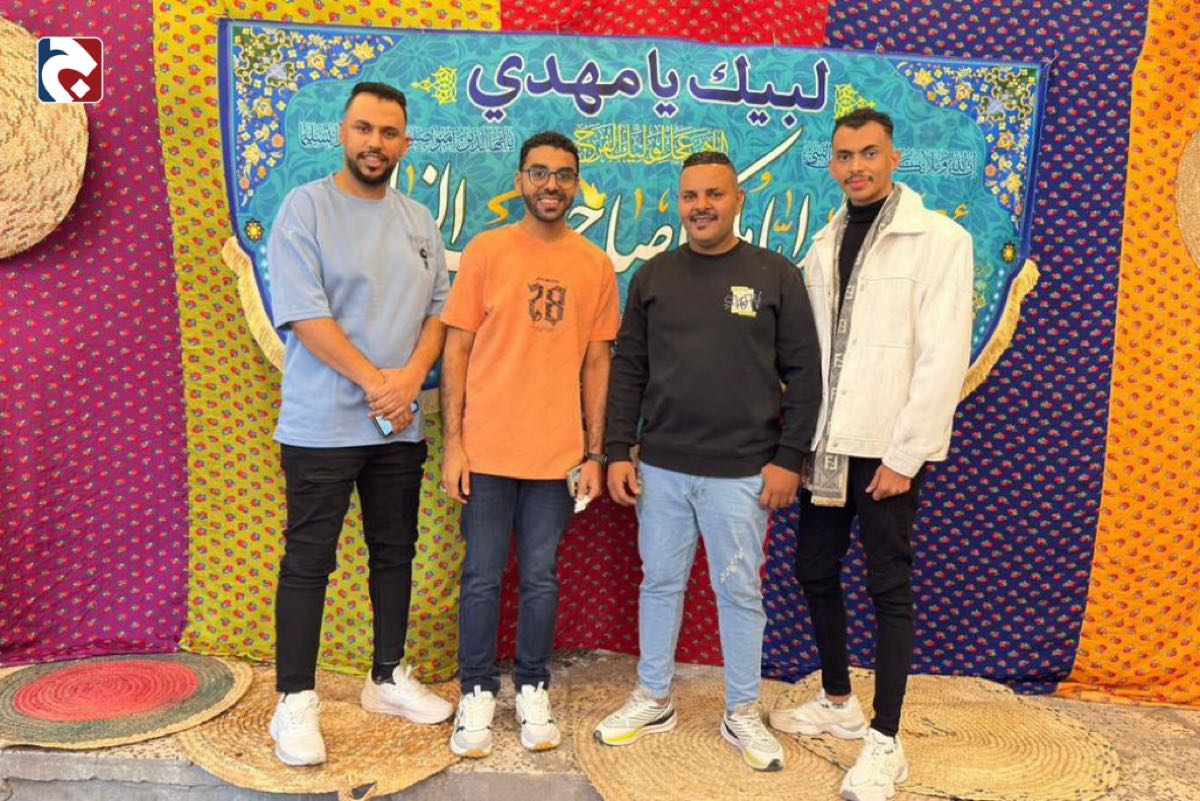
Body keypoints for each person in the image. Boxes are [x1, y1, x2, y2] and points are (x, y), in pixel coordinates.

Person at [768, 108, 974, 801]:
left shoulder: (939, 240)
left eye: (869, 153)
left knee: (889, 588)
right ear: (832, 164)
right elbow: (808, 354)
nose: (856, 166)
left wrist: (906, 456)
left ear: (894, 158)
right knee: (813, 569)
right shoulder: (824, 242)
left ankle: (886, 741)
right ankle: (839, 701)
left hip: (887, 447)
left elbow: (944, 355)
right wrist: (800, 441)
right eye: (844, 155)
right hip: (828, 446)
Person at [594, 151, 823, 772]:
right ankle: (653, 698)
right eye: (691, 195)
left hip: (744, 474)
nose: (701, 206)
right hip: (662, 469)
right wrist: (617, 450)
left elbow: (805, 375)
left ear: (738, 200)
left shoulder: (775, 275)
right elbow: (629, 369)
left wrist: (789, 458)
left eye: (714, 194)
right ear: (680, 202)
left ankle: (741, 709)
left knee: (739, 591)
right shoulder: (653, 276)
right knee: (659, 584)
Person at [264, 81, 453, 767]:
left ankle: (387, 677)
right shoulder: (305, 208)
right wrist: (379, 382)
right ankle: (294, 699)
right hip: (321, 427)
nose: (376, 143)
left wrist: (409, 381)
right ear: (344, 133)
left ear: (406, 143)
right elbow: (304, 312)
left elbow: (440, 312)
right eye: (365, 129)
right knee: (309, 560)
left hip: (398, 426)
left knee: (394, 551)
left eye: (389, 132)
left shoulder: (420, 219)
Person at [440, 131, 620, 758]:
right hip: (486, 453)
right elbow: (456, 350)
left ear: (577, 185)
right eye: (539, 172)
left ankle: (533, 685)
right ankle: (476, 690)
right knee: (481, 577)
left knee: (541, 578)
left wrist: (594, 454)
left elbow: (598, 362)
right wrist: (454, 445)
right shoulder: (486, 252)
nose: (551, 185)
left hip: (558, 458)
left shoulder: (595, 265)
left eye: (564, 175)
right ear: (520, 180)